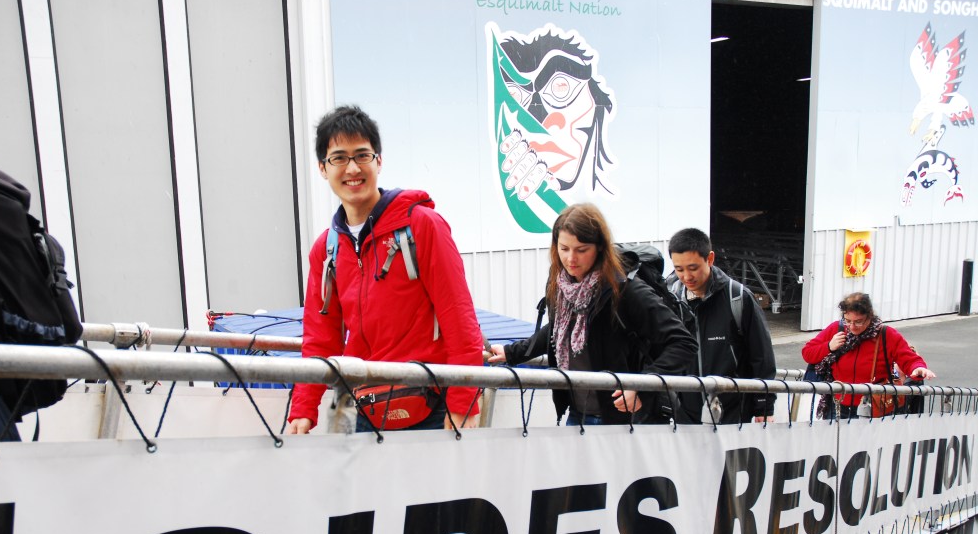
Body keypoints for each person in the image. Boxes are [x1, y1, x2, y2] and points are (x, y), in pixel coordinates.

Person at [286, 106, 483, 433]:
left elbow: (458, 315)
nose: (352, 168)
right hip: (368, 409)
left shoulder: (422, 226)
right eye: (339, 158)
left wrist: (463, 403)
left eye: (362, 155)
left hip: (433, 410)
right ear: (322, 168)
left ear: (379, 160)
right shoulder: (327, 250)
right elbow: (320, 337)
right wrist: (303, 408)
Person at [488, 203, 697, 426]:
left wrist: (641, 386)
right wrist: (511, 352)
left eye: (581, 250)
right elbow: (559, 327)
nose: (571, 259)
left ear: (599, 248)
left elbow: (683, 343)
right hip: (577, 414)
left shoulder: (624, 289)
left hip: (624, 420)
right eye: (564, 248)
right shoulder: (561, 284)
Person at [667, 228, 777, 424]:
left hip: (733, 411)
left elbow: (762, 356)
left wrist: (764, 406)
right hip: (685, 413)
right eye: (679, 269)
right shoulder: (671, 300)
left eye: (693, 268)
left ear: (710, 258)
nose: (686, 276)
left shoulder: (738, 297)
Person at [801, 292, 936, 419]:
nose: (852, 326)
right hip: (837, 404)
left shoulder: (886, 334)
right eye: (848, 320)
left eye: (858, 321)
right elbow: (807, 353)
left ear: (869, 317)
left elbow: (908, 358)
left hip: (873, 405)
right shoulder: (837, 328)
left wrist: (918, 368)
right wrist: (829, 346)